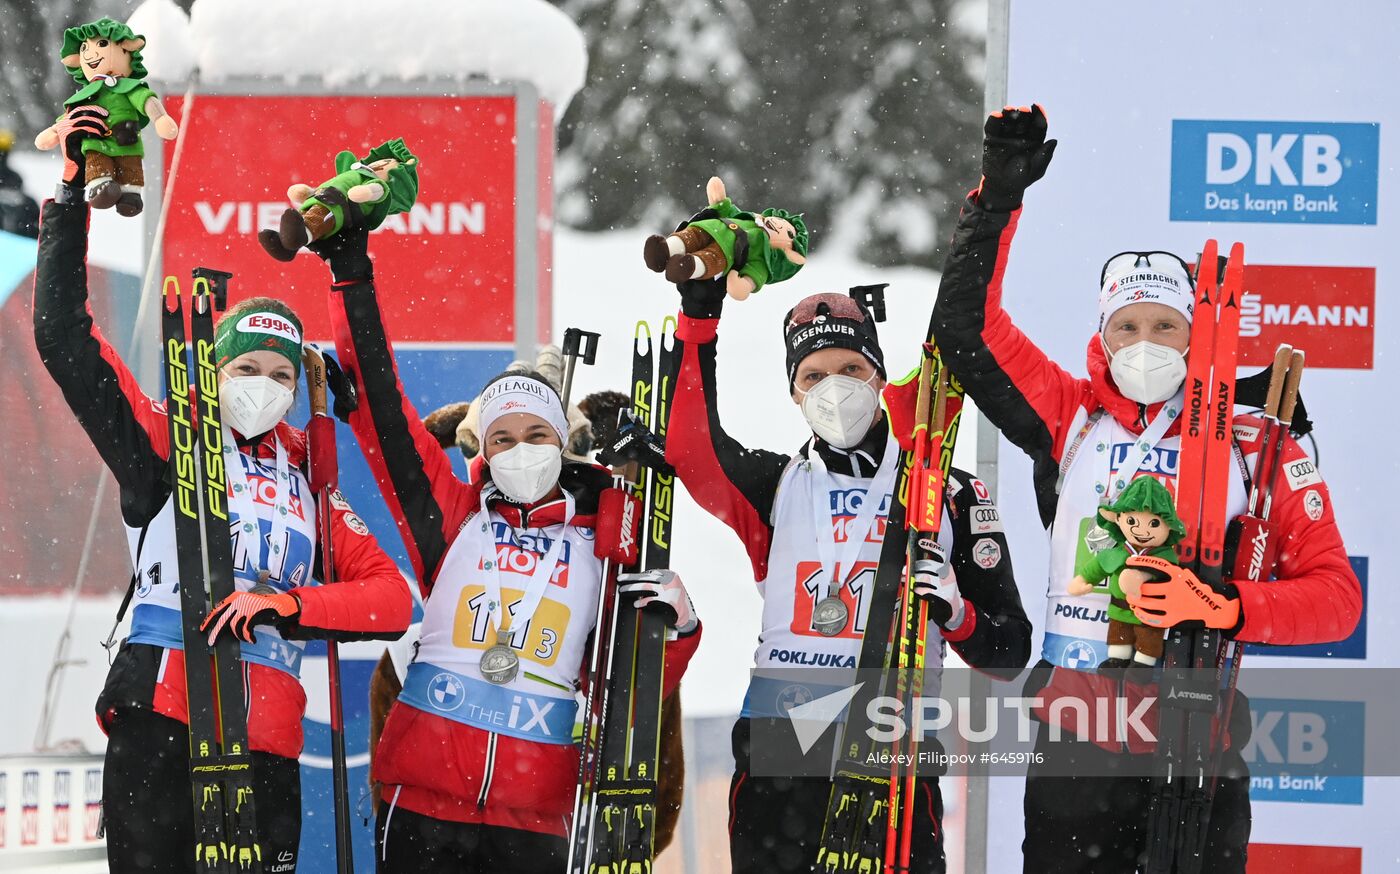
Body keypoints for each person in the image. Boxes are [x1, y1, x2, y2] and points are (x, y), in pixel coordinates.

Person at [930, 104, 1362, 873]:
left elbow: (1335, 597)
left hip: (1198, 741)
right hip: (1076, 750)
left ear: (1199, 335)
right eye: (1126, 328)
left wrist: (1228, 604)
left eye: (1166, 326)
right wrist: (997, 200)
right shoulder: (1069, 418)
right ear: (1101, 337)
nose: (1145, 345)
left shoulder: (1256, 438)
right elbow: (965, 325)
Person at [31, 110, 413, 874]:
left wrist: (291, 605)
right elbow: (64, 340)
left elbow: (390, 599)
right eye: (246, 370)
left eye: (280, 376)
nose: (264, 388)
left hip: (265, 741)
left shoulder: (310, 478)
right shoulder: (170, 438)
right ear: (211, 374)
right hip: (163, 721)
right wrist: (70, 196)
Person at [312, 226, 702, 873]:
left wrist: (682, 629)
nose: (521, 450)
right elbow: (385, 410)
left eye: (536, 434)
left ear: (562, 441)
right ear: (483, 452)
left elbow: (634, 683)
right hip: (425, 811)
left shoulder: (603, 539)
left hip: (539, 821)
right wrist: (350, 270)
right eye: (503, 440)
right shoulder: (450, 519)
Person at [663, 278, 1033, 873]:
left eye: (851, 368)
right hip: (781, 751)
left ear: (880, 378)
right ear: (794, 393)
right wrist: (699, 313)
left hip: (896, 749)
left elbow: (1010, 651)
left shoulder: (948, 491)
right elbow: (690, 447)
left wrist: (956, 614)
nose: (834, 387)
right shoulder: (776, 485)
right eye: (813, 376)